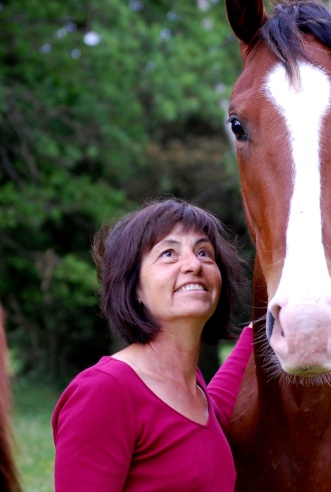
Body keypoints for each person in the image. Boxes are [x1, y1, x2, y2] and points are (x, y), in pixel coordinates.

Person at [52, 197, 253, 491]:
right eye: (169, 253)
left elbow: (209, 421)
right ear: (134, 289)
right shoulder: (105, 391)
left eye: (204, 252)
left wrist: (259, 329)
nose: (193, 264)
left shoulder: (194, 392)